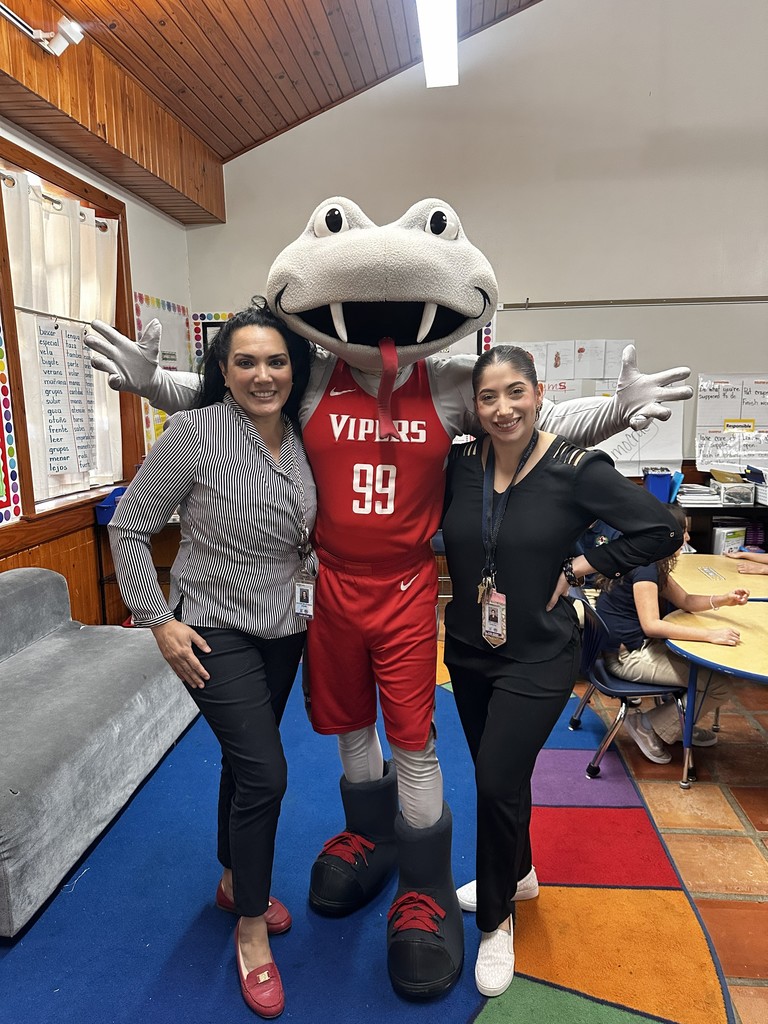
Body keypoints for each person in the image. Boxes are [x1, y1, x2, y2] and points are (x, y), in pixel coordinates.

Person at [85, 195, 693, 1000]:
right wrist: (152, 386)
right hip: (328, 587)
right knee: (345, 720)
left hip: (407, 588)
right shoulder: (308, 381)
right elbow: (234, 398)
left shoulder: (446, 384)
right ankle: (367, 835)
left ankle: (426, 881)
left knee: (413, 734)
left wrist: (615, 410)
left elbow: (521, 419)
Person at [441, 344, 683, 998]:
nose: (502, 408)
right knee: (503, 775)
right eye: (488, 397)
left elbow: (660, 529)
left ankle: (496, 921)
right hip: (467, 649)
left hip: (540, 654)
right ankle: (518, 872)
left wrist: (581, 569)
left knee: (494, 779)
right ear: (475, 406)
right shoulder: (460, 463)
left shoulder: (577, 469)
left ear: (538, 392)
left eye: (514, 392)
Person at [108, 299, 316, 1019]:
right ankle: (251, 929)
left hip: (285, 626)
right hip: (210, 629)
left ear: (295, 368)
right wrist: (158, 622)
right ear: (222, 371)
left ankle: (234, 880)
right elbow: (130, 529)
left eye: (276, 361)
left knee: (241, 758)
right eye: (247, 362)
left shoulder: (302, 435)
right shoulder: (192, 433)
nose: (264, 374)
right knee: (266, 771)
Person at [596, 504, 750, 764]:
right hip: (627, 658)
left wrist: (723, 599)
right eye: (684, 532)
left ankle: (679, 724)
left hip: (631, 649)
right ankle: (648, 726)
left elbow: (687, 600)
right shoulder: (645, 568)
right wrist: (711, 635)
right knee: (717, 685)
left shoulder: (648, 559)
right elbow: (652, 626)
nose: (688, 538)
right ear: (669, 535)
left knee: (709, 675)